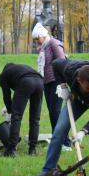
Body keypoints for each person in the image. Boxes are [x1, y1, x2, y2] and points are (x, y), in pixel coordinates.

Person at [35, 58, 89, 176]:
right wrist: (62, 85)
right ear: (78, 80)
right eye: (88, 87)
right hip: (77, 100)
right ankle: (47, 172)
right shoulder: (70, 70)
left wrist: (84, 131)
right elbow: (56, 63)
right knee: (59, 131)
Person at [32, 23, 72, 151]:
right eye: (35, 39)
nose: (36, 41)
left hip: (56, 82)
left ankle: (65, 143)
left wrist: (62, 84)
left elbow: (62, 62)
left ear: (43, 35)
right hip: (46, 83)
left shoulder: (54, 43)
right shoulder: (43, 47)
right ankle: (57, 141)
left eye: (37, 38)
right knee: (52, 113)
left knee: (56, 112)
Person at [0, 63, 44, 157]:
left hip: (26, 82)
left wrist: (10, 109)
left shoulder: (3, 75)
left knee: (17, 117)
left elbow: (6, 95)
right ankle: (32, 149)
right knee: (35, 118)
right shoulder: (20, 69)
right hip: (40, 82)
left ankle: (11, 149)